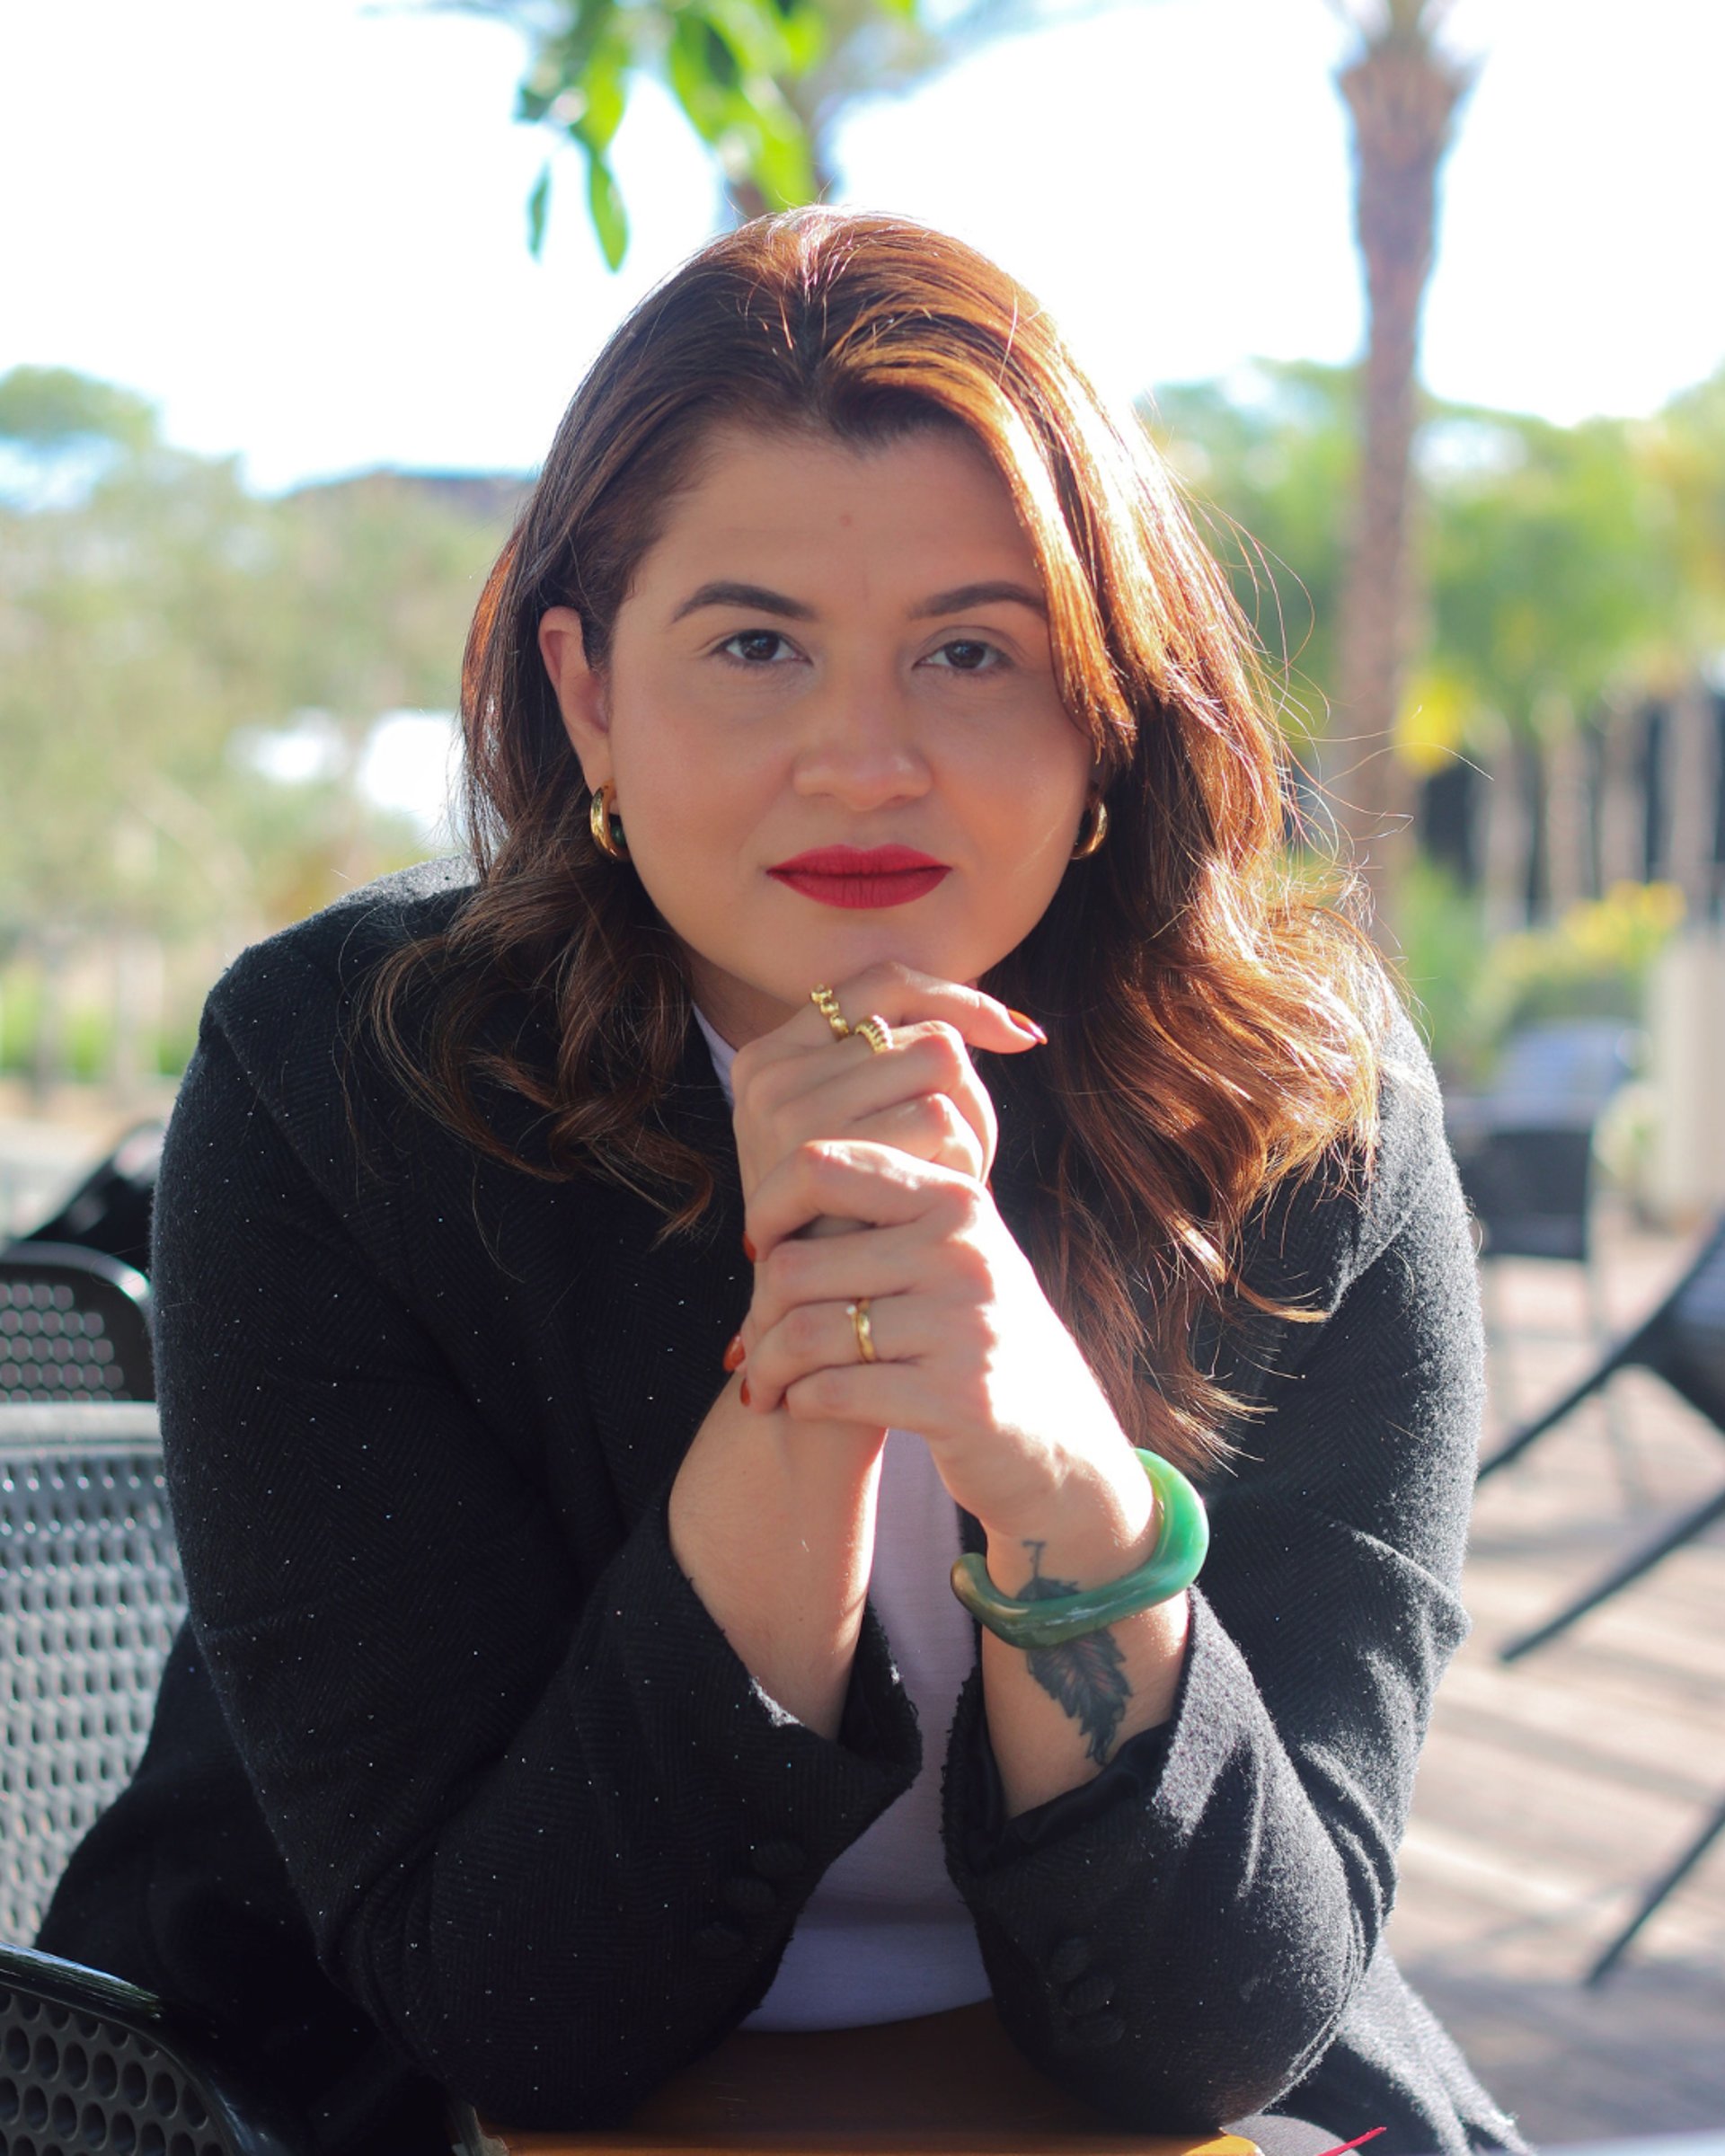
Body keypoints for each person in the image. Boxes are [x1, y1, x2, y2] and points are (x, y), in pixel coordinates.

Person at [39, 208, 1526, 2156]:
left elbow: (1218, 2028)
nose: (863, 760)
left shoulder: (1301, 1113)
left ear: (1106, 717)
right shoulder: (346, 1086)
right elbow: (518, 2011)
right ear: (591, 697)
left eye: (971, 653)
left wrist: (1062, 1484)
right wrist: (805, 1374)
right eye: (755, 645)